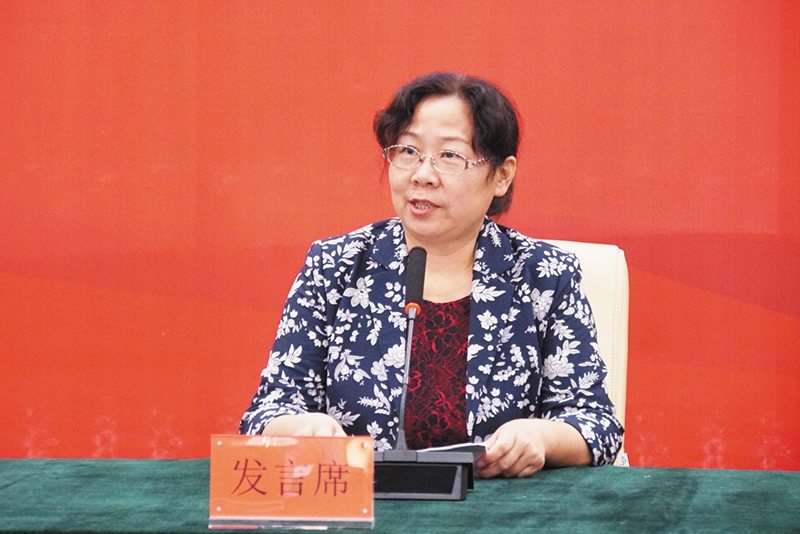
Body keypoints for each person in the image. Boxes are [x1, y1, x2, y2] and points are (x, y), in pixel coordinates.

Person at [240, 72, 624, 478]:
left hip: (497, 504)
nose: (422, 174)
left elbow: (596, 424)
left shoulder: (544, 275)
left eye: (450, 156)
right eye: (408, 151)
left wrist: (541, 438)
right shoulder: (336, 265)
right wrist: (301, 428)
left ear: (501, 175)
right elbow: (267, 412)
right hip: (364, 501)